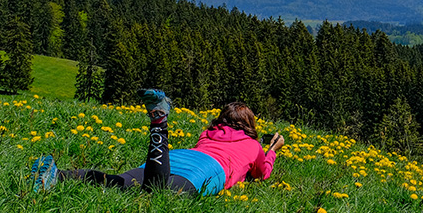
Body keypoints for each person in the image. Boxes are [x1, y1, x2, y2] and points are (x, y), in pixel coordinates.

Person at [31, 89, 284, 195]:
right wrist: (272, 150)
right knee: (159, 189)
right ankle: (159, 123)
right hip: (206, 170)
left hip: (178, 157)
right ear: (249, 126)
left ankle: (58, 175)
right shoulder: (252, 146)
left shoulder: (208, 134)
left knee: (121, 182)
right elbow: (262, 173)